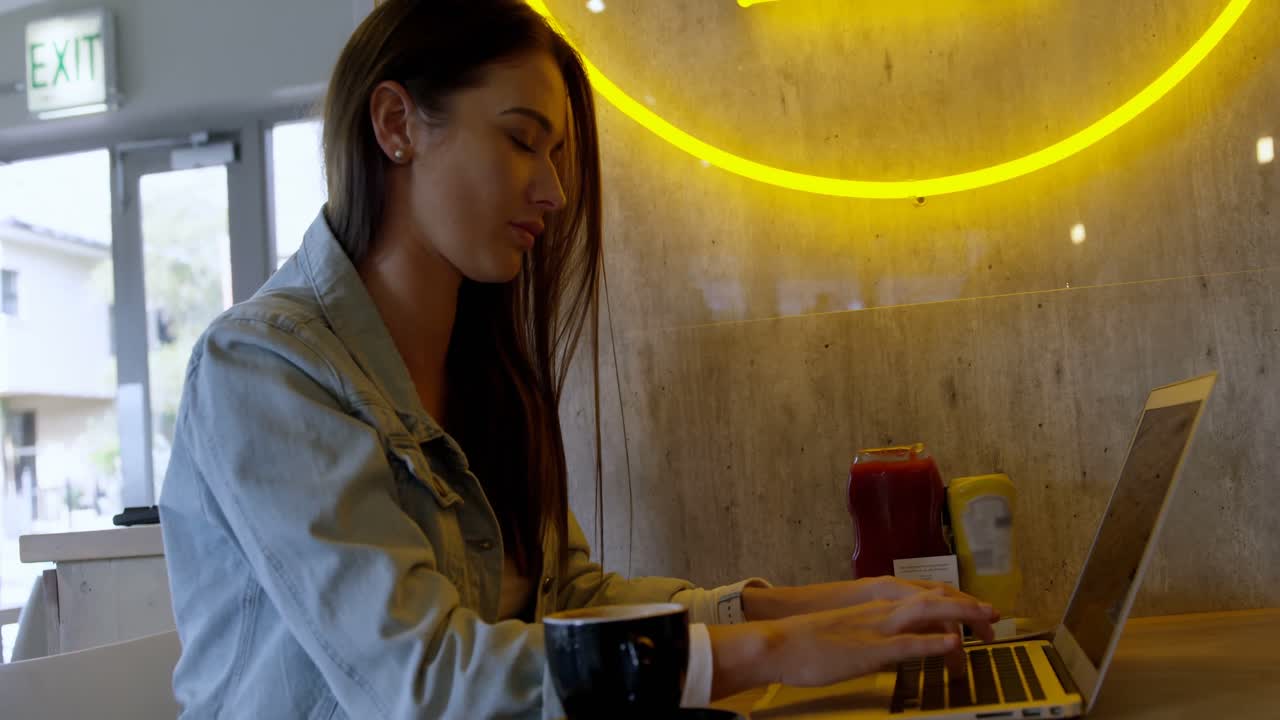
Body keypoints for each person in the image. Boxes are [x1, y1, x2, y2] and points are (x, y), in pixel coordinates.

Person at [158, 1, 998, 717]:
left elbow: (576, 605)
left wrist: (803, 606)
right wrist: (773, 650)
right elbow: (427, 682)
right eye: (524, 141)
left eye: (555, 155)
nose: (555, 192)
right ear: (396, 124)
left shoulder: (485, 375)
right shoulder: (262, 369)